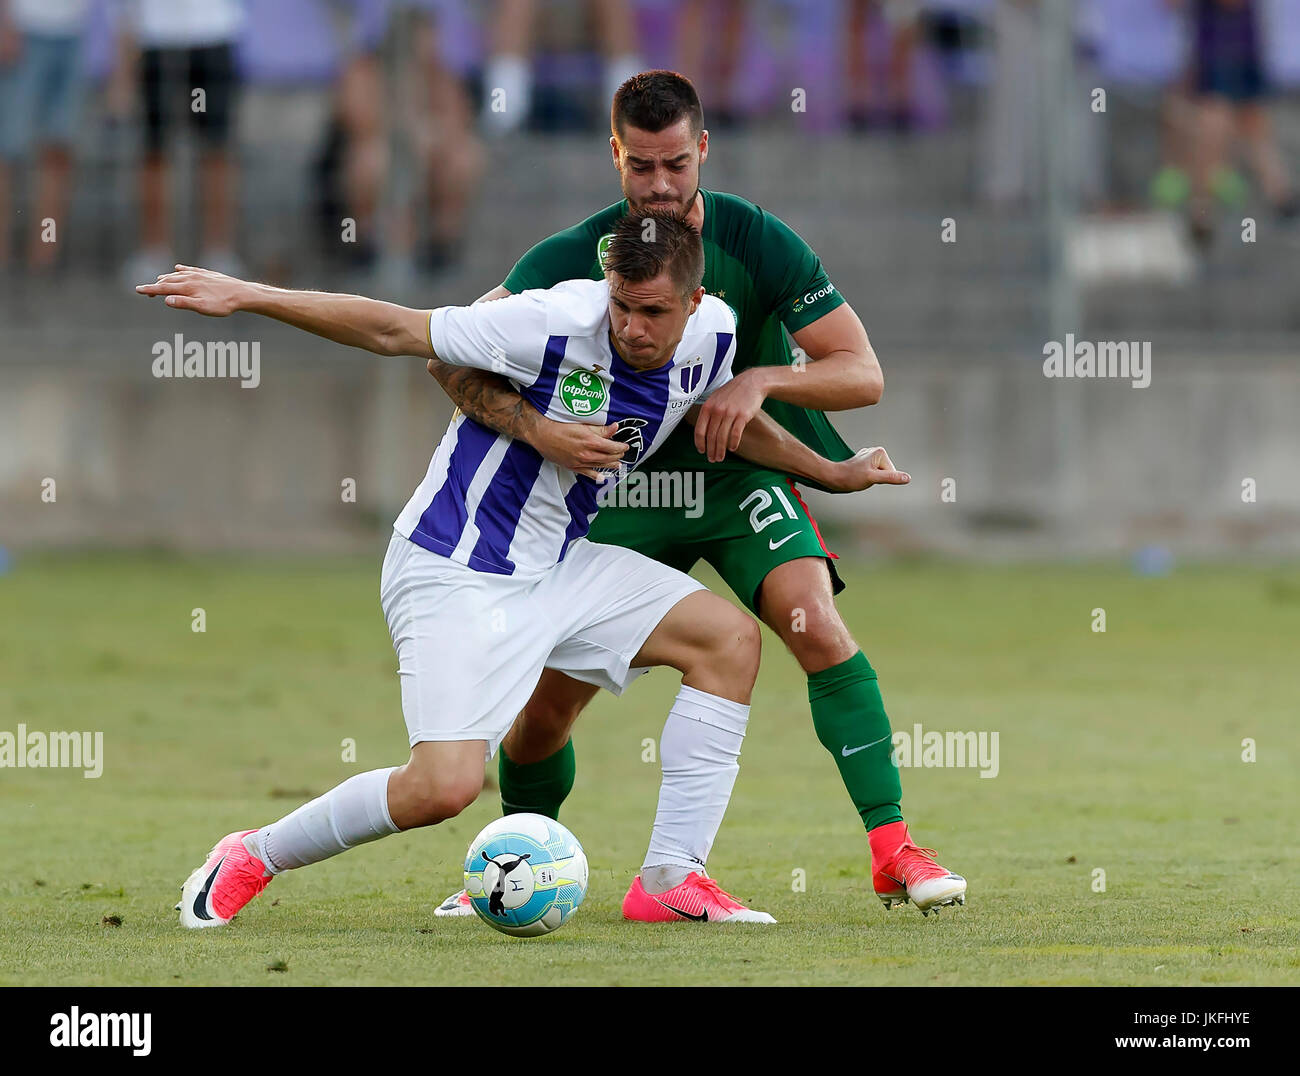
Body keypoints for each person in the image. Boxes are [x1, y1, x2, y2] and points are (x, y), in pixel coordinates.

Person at [136, 209, 911, 928]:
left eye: (653, 313)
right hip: (453, 567)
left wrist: (829, 472)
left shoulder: (715, 331)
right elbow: (395, 331)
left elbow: (726, 423)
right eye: (623, 308)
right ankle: (252, 854)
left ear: (695, 299)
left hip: (560, 568)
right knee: (443, 788)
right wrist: (245, 294)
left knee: (730, 642)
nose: (635, 329)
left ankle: (671, 879)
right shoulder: (550, 320)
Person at [428, 71, 966, 922]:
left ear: (703, 150)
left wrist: (758, 379)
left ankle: (893, 849)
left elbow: (861, 373)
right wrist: (538, 431)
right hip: (619, 490)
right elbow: (449, 354)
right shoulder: (572, 258)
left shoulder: (755, 239)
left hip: (738, 472)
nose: (660, 186)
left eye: (675, 163)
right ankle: (514, 864)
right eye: (640, 166)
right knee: (544, 715)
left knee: (814, 624)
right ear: (615, 157)